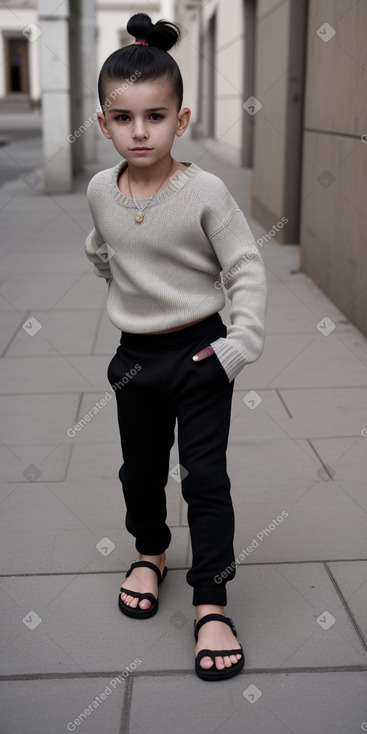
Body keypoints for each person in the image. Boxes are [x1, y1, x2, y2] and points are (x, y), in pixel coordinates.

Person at [85, 11, 268, 681]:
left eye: (155, 116)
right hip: (134, 359)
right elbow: (103, 246)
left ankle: (211, 600)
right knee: (139, 471)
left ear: (180, 119)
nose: (140, 131)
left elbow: (245, 267)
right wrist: (118, 281)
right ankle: (151, 551)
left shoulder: (206, 193)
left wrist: (235, 346)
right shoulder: (100, 189)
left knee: (205, 478)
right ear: (103, 123)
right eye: (124, 118)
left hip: (199, 356)